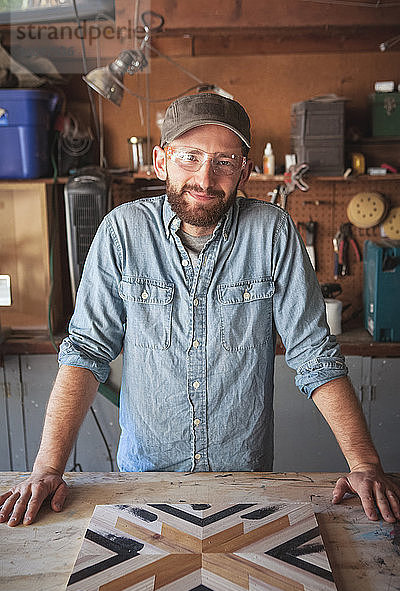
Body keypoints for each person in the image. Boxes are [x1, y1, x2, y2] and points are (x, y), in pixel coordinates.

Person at [1, 93, 399, 527]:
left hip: (244, 483)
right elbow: (85, 352)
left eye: (225, 161)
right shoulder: (123, 231)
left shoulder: (271, 233)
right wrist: (47, 469)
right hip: (144, 482)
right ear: (160, 161)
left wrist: (365, 464)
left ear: (245, 170)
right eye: (189, 156)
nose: (205, 178)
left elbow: (313, 353)